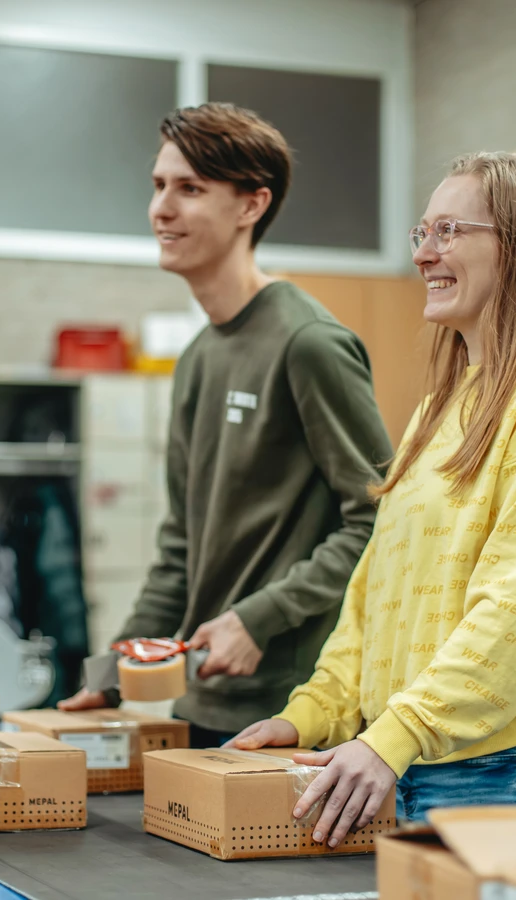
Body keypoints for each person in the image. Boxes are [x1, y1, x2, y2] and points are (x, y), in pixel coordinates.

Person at [227, 151, 516, 846]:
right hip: (411, 770)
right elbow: (374, 595)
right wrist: (312, 713)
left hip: (509, 780)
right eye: (421, 232)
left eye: (448, 231)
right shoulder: (439, 408)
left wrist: (396, 734)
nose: (423, 254)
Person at [60, 103, 392, 746]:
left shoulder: (309, 343)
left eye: (190, 189)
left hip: (295, 711)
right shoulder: (198, 358)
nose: (161, 209)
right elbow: (182, 545)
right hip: (204, 703)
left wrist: (258, 619)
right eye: (158, 185)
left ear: (251, 205)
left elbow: (379, 518)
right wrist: (111, 672)